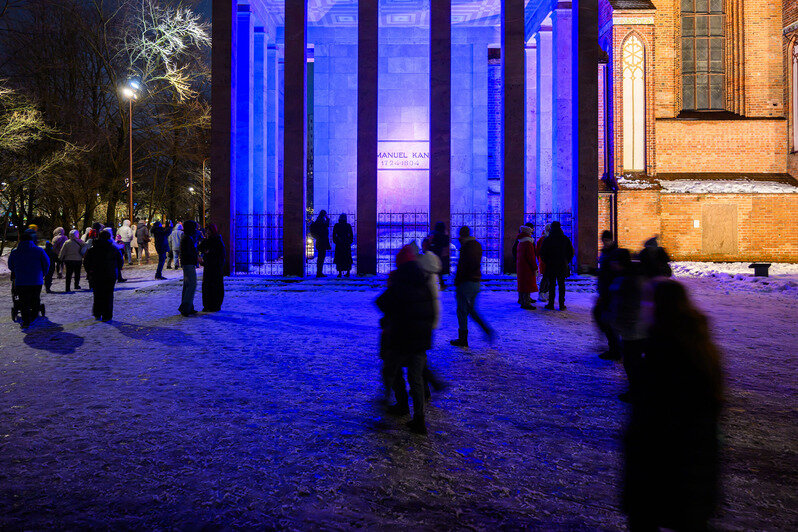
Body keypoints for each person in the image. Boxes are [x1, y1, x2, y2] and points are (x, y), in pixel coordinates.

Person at [623, 279, 723, 532]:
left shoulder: (665, 349)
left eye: (648, 301)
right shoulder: (699, 344)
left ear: (660, 307)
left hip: (663, 469)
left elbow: (656, 415)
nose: (643, 306)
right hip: (694, 470)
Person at [376, 244, 435, 435]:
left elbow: (382, 302)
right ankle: (419, 420)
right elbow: (431, 310)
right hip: (420, 339)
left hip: (401, 337)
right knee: (416, 379)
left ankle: (399, 405)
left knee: (392, 372)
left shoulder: (400, 280)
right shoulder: (423, 280)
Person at [450, 226, 494, 347]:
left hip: (466, 282)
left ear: (461, 235)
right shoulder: (477, 245)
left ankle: (463, 339)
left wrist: (457, 281)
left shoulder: (466, 247)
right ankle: (486, 329)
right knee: (471, 309)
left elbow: (462, 266)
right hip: (476, 281)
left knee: (462, 311)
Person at [9, 230, 50, 328]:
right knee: (35, 299)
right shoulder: (39, 251)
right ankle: (34, 316)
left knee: (23, 301)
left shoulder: (15, 252)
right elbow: (47, 263)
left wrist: (17, 271)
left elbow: (11, 266)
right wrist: (43, 273)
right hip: (36, 280)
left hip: (21, 281)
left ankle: (26, 320)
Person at [82, 230, 123, 322]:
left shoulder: (93, 249)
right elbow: (120, 261)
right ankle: (107, 315)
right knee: (108, 295)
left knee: (97, 294)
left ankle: (97, 313)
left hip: (96, 275)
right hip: (109, 275)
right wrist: (116, 270)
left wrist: (89, 271)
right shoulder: (113, 249)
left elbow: (86, 262)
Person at [595, 231, 622, 360]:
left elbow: (612, 273)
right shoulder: (605, 252)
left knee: (607, 320)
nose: (604, 242)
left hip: (610, 291)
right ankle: (614, 347)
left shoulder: (614, 253)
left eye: (606, 240)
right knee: (601, 316)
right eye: (603, 240)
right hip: (605, 290)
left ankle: (615, 349)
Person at [540, 221, 574, 311]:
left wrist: (547, 261)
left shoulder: (547, 239)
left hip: (551, 265)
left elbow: (542, 253)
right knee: (561, 285)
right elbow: (571, 252)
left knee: (551, 285)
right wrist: (566, 261)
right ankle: (562, 305)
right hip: (562, 265)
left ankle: (551, 304)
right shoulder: (565, 239)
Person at [198, 223, 225, 312]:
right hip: (209, 268)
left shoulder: (217, 241)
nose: (207, 232)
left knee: (215, 287)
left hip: (215, 269)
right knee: (207, 287)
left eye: (209, 230)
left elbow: (219, 255)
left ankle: (214, 305)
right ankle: (208, 305)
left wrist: (209, 253)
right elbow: (201, 247)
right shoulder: (209, 240)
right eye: (207, 230)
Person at [178, 220, 200, 316]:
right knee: (191, 285)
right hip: (188, 263)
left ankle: (188, 306)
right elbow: (189, 252)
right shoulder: (187, 238)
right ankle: (186, 307)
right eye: (194, 227)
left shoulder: (186, 237)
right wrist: (196, 258)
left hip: (187, 263)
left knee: (188, 285)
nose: (196, 229)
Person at [515, 225, 538, 310]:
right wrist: (535, 267)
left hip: (521, 266)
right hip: (527, 268)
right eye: (531, 232)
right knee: (527, 285)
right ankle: (526, 303)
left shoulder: (520, 242)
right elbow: (531, 257)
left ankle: (521, 300)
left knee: (522, 284)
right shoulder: (528, 243)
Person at [428, 221, 450, 288]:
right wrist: (446, 235)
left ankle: (430, 283)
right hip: (438, 254)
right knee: (438, 269)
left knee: (431, 269)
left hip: (430, 254)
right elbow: (446, 244)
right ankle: (441, 284)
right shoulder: (442, 235)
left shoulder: (432, 233)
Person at [309, 211, 331, 277]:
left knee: (320, 257)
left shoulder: (318, 220)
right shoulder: (321, 221)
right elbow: (326, 226)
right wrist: (328, 219)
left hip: (319, 241)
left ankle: (319, 272)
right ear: (324, 214)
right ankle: (319, 273)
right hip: (322, 241)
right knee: (321, 258)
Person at [536, 224, 551, 302]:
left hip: (547, 261)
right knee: (545, 277)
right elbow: (538, 251)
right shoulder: (543, 239)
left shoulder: (546, 238)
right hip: (544, 261)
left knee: (548, 278)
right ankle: (542, 292)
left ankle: (545, 292)